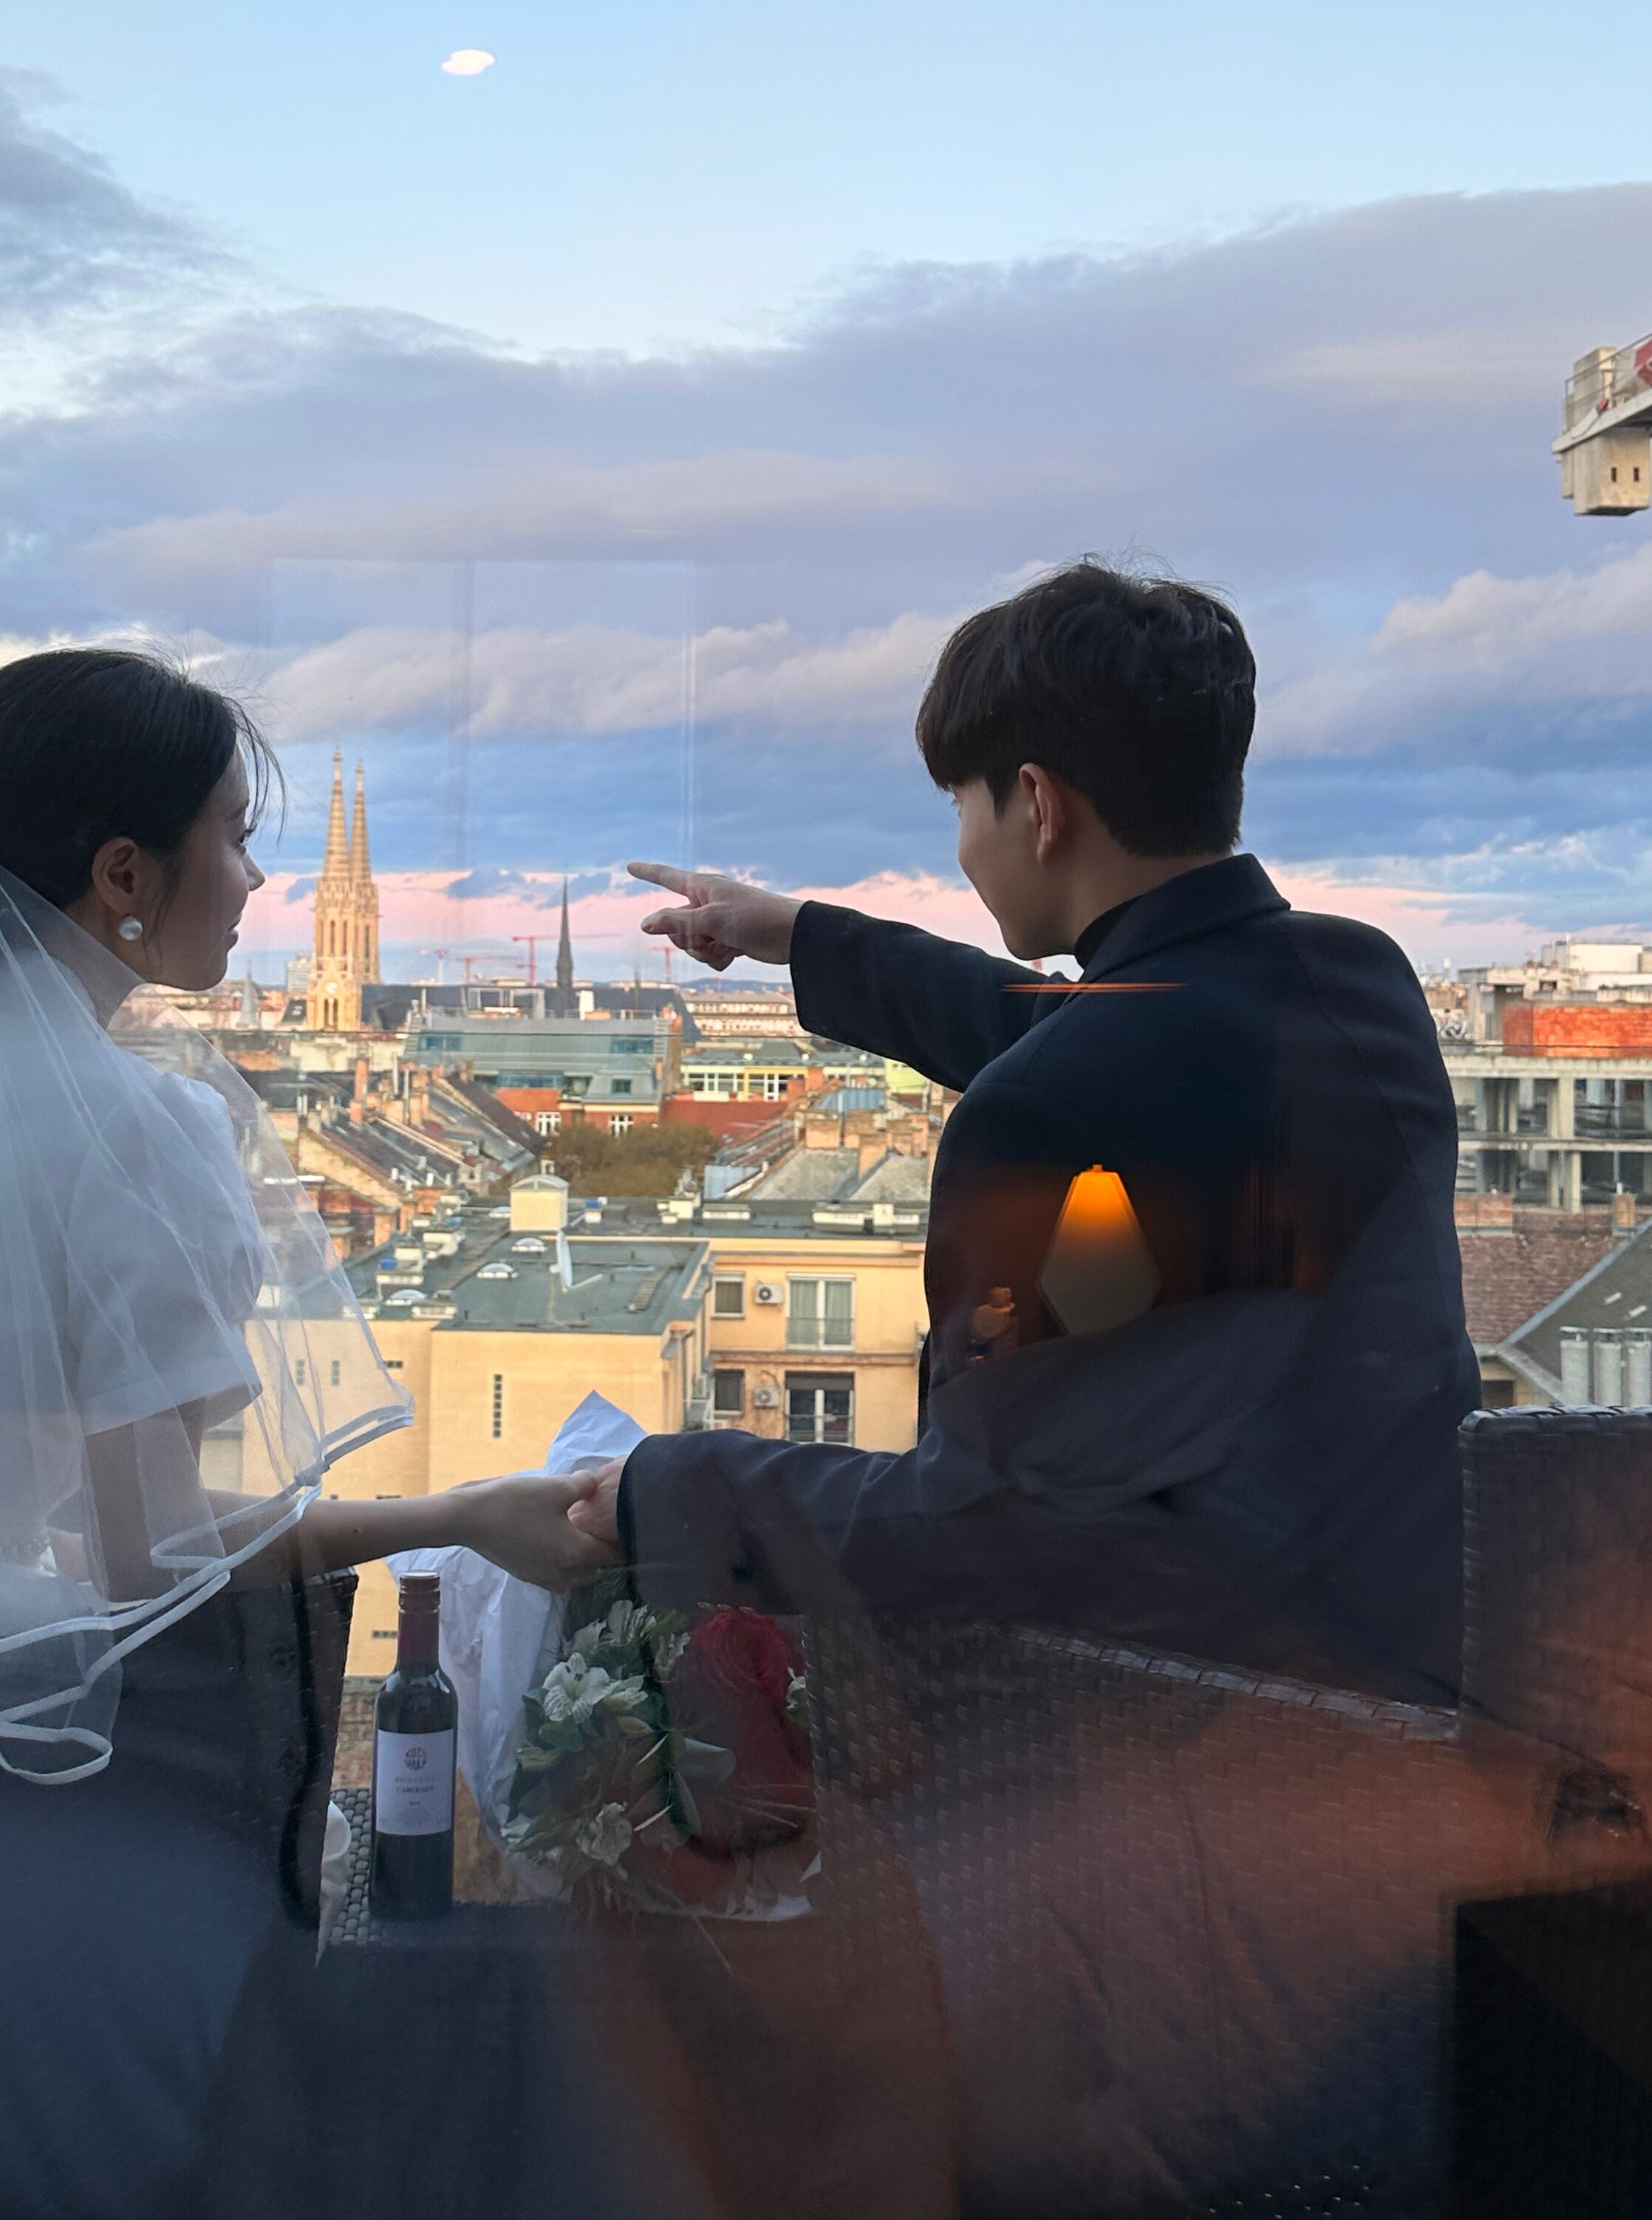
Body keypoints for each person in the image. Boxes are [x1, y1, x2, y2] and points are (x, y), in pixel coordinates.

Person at [0, 649, 614, 2220]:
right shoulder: (140, 1128)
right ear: (124, 875)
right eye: (234, 838)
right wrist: (462, 1511)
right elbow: (149, 1562)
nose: (255, 882)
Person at [569, 562, 1475, 1707]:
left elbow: (970, 1527)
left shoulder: (1050, 1104)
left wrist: (668, 1489)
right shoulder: (1359, 980)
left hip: (1224, 1723)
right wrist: (801, 935)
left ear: (1038, 805)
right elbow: (1102, 1036)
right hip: (1422, 1641)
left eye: (961, 802)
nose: (961, 839)